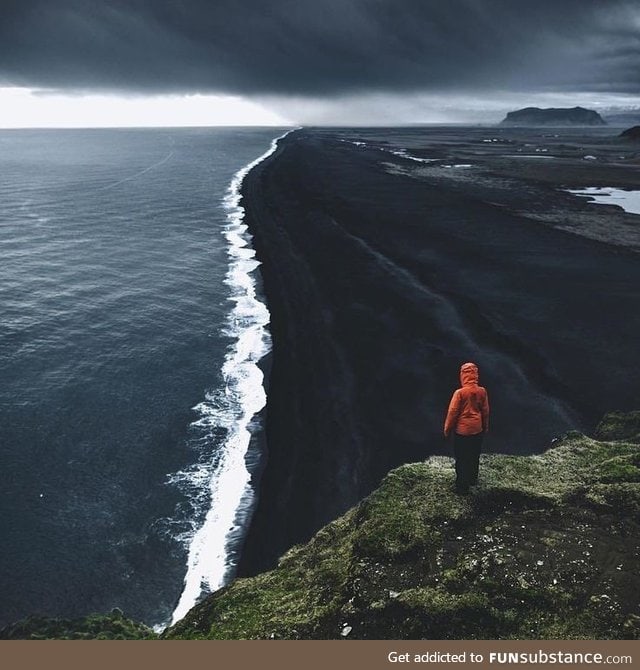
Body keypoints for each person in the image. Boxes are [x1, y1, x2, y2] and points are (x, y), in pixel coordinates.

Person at [444, 362, 490, 494]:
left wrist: (447, 429)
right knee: (474, 455)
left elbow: (452, 413)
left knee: (462, 457)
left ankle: (462, 487)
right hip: (477, 429)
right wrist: (485, 427)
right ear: (476, 375)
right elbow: (486, 411)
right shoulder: (482, 391)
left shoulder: (460, 393)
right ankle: (472, 479)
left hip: (462, 432)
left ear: (462, 376)